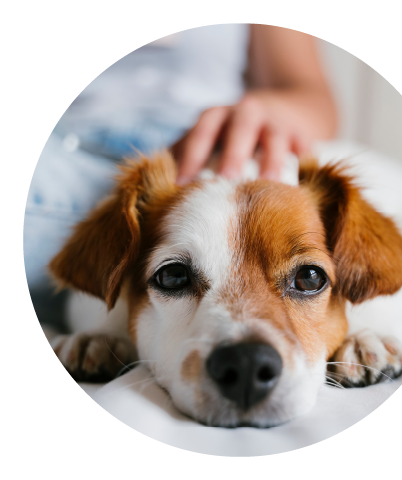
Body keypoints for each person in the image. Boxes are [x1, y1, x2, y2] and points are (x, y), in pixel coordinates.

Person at [24, 23, 337, 330]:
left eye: (306, 280)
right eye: (175, 278)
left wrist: (269, 112)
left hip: (215, 148)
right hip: (58, 151)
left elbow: (312, 95)